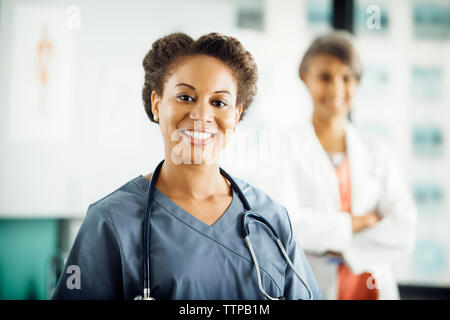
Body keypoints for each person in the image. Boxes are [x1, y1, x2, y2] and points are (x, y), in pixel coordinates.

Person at [51, 32, 322, 300]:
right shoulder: (111, 220)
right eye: (185, 97)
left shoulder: (270, 219)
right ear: (157, 104)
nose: (202, 115)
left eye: (219, 103)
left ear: (236, 116)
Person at [264, 31, 417, 299]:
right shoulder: (282, 146)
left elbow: (404, 229)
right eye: (325, 77)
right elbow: (287, 225)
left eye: (347, 78)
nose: (336, 88)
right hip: (311, 285)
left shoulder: (377, 150)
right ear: (305, 78)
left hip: (372, 289)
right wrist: (356, 223)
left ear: (357, 83)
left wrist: (339, 246)